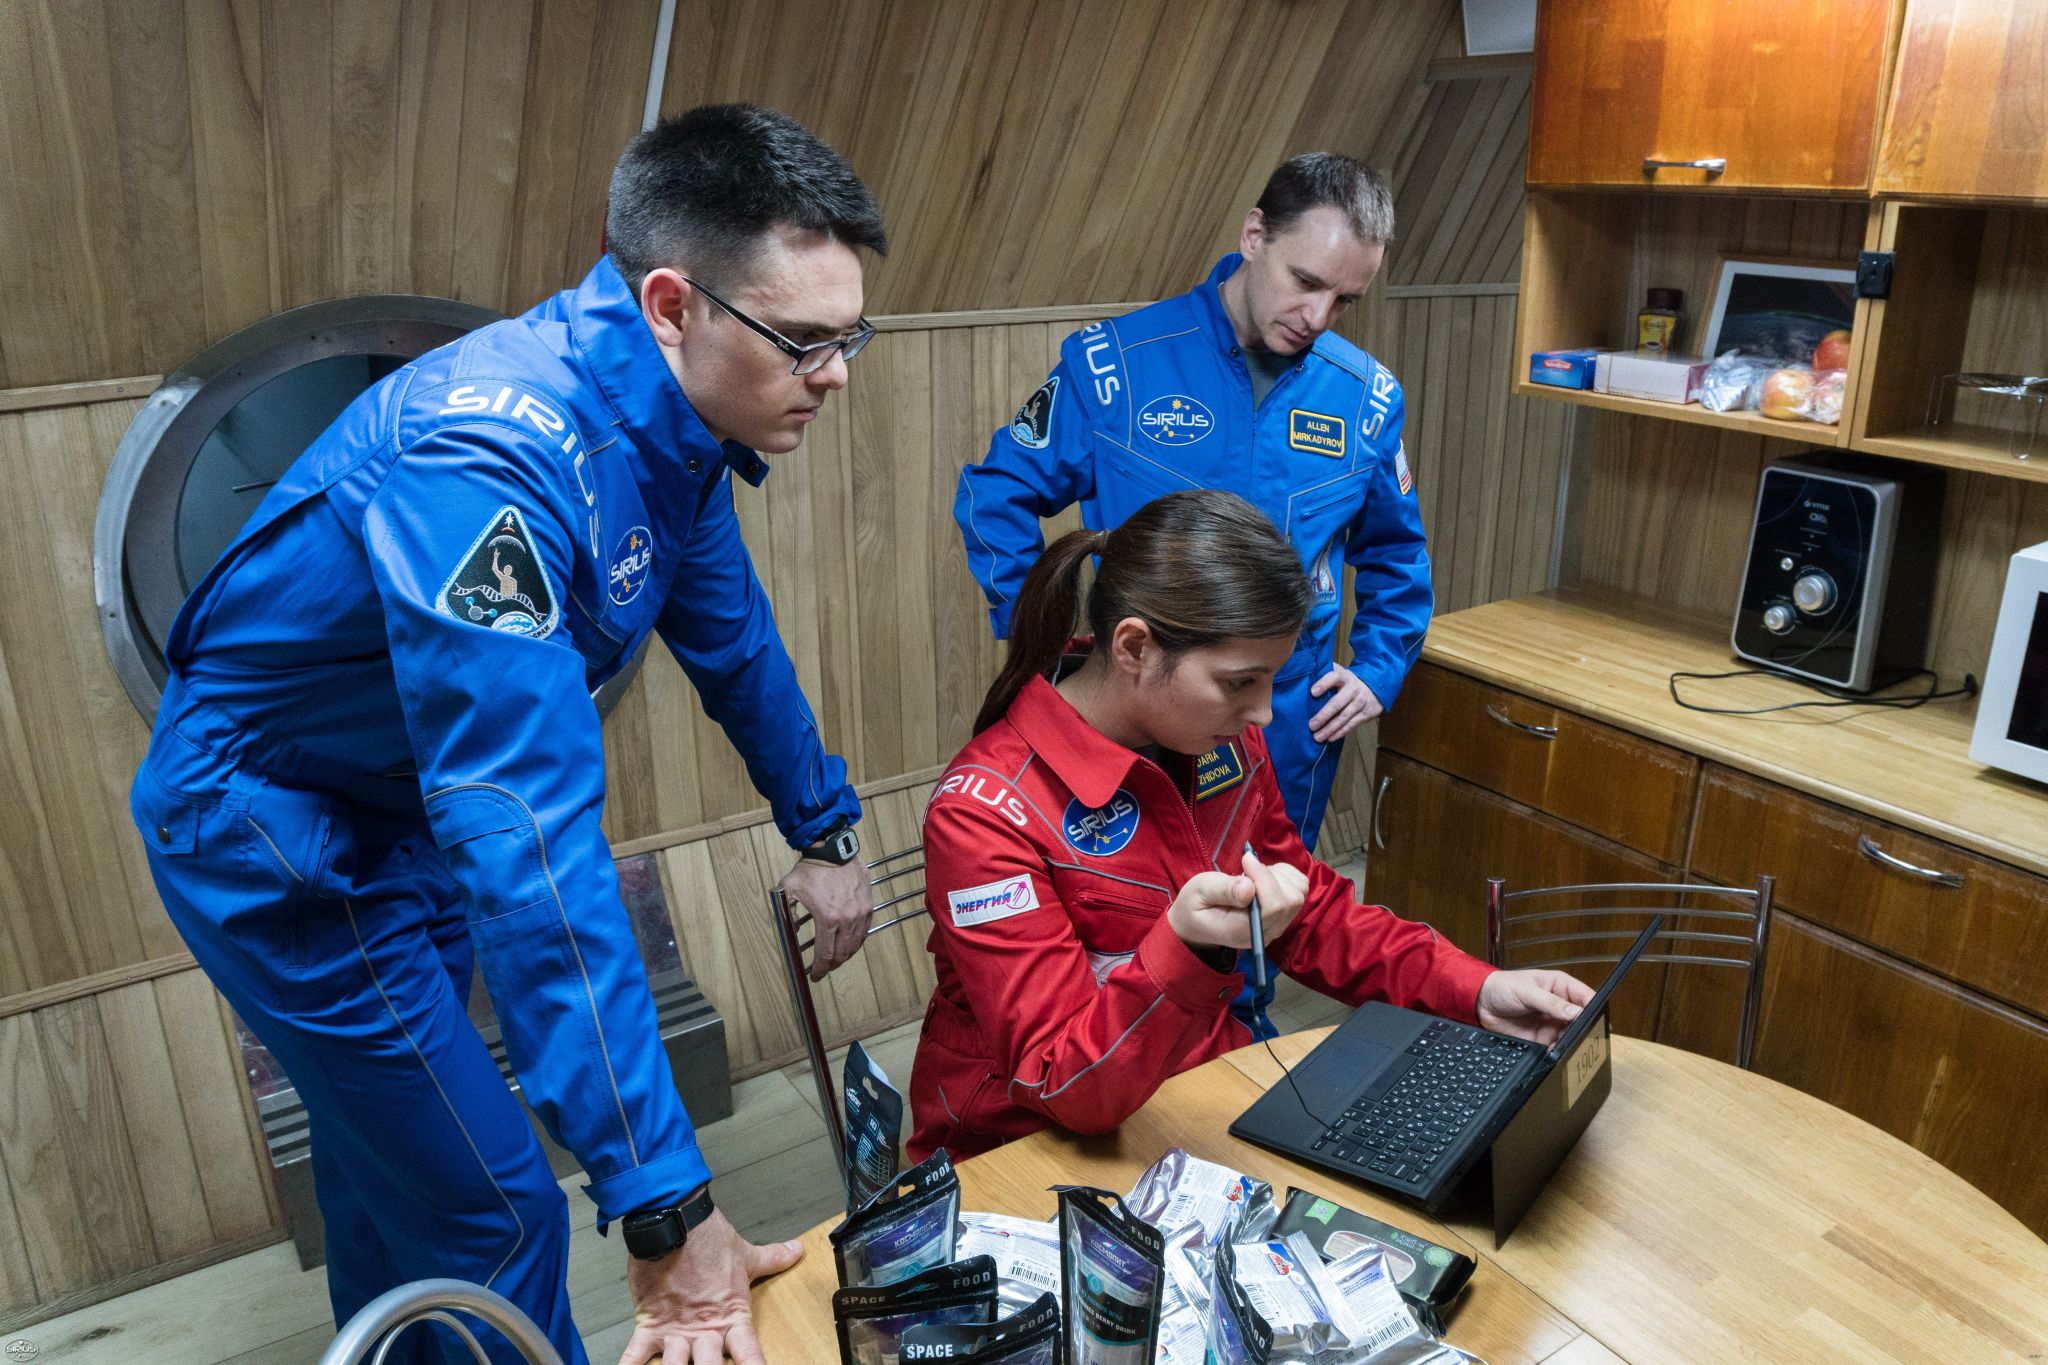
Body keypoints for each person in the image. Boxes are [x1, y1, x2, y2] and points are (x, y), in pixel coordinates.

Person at [129, 105, 885, 1365]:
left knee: (399, 1182)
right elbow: (529, 846)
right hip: (272, 838)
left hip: (386, 810)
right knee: (491, 1207)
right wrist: (668, 1211)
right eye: (803, 344)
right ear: (670, 304)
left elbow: (733, 642)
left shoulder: (667, 428)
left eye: (850, 337)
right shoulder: (486, 458)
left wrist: (825, 827)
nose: (836, 376)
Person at [906, 491, 1589, 1164]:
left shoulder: (1219, 743)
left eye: (1273, 681)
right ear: (1135, 646)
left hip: (1197, 1101)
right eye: (1241, 682)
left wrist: (1474, 989)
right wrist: (1186, 946)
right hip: (1025, 1151)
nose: (1263, 714)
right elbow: (1064, 1083)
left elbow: (1310, 912)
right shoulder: (985, 814)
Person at [953, 153, 1422, 855]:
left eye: (1346, 300)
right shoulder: (1113, 365)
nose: (1318, 317)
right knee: (1132, 925)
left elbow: (1396, 553)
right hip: (1139, 712)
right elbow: (997, 493)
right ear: (1255, 236)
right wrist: (1045, 642)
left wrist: (1379, 669)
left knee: (1265, 913)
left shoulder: (1367, 399)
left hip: (1287, 716)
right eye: (1306, 282)